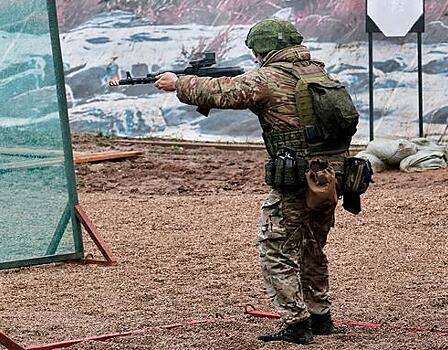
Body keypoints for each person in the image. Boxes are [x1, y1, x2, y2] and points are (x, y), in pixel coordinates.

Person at [153, 19, 359, 345]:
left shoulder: (270, 78)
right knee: (311, 247)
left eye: (255, 51)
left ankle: (296, 324)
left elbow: (224, 92)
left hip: (297, 179)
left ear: (264, 49)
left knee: (276, 249)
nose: (253, 57)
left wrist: (179, 83)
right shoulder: (318, 72)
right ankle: (320, 316)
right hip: (330, 178)